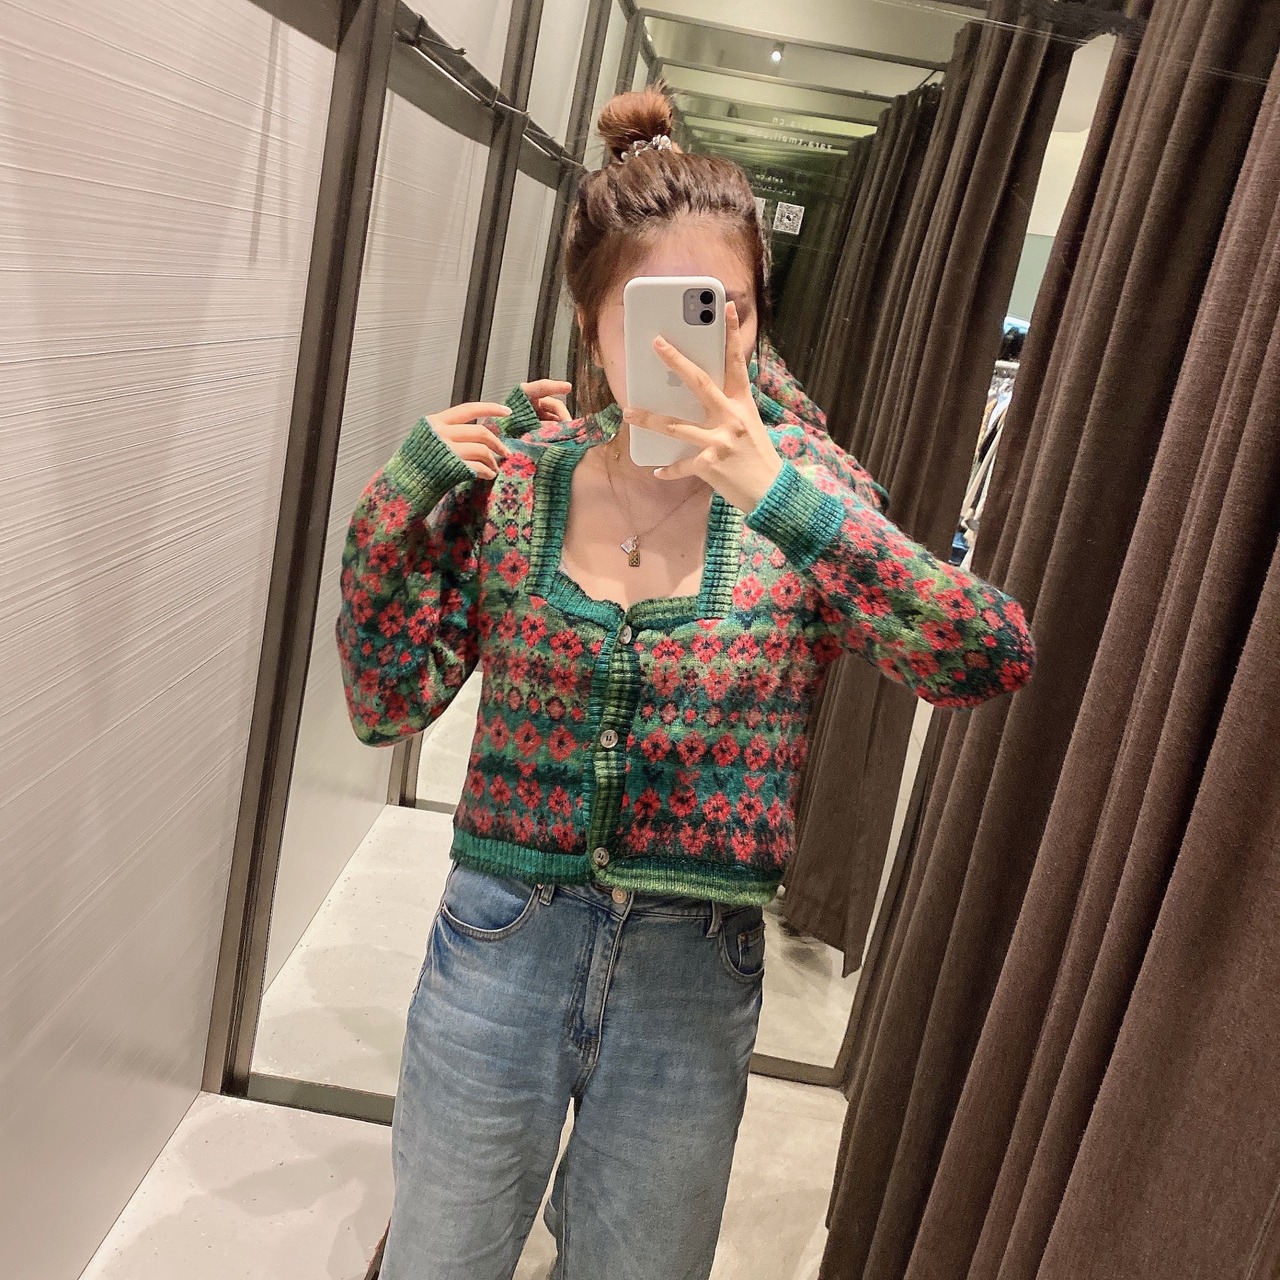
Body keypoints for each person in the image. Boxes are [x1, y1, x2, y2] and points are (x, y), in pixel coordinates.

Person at [337, 88, 1035, 1280]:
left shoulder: (803, 491)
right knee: (439, 1257)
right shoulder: (524, 480)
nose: (687, 350)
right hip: (498, 942)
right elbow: (385, 703)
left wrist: (786, 499)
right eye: (650, 313)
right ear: (588, 323)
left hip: (691, 971)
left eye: (724, 312)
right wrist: (400, 498)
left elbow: (985, 652)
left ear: (756, 317)